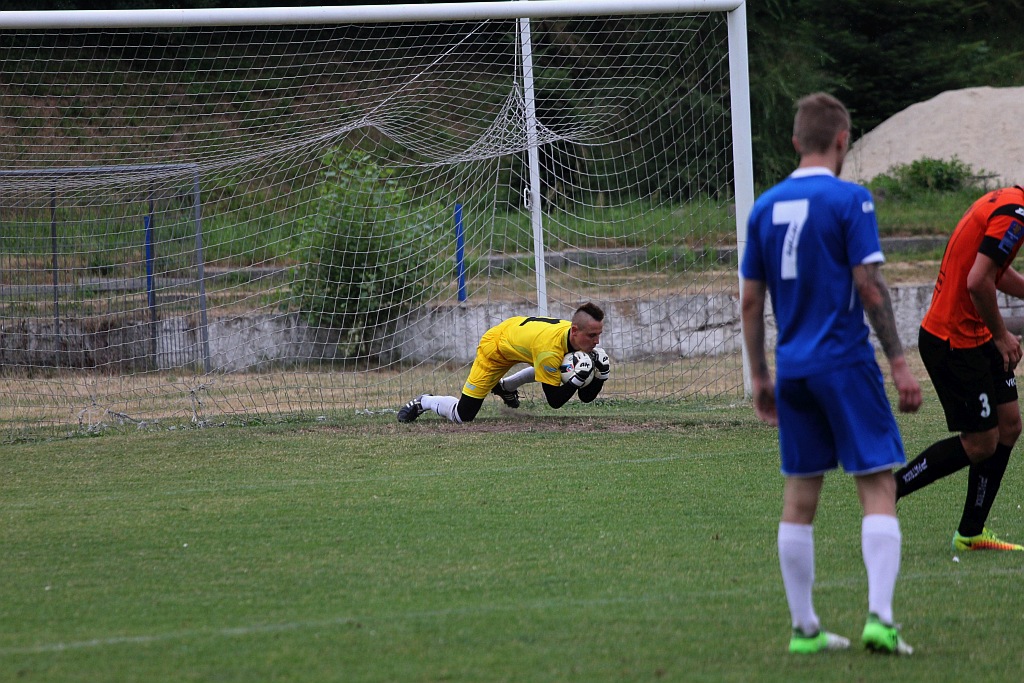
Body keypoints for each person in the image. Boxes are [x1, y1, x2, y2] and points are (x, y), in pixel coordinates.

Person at [741, 93, 922, 656]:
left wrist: (760, 375)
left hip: (792, 369)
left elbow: (750, 301)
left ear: (795, 142)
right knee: (877, 484)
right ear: (842, 141)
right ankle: (880, 620)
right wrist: (897, 360)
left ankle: (805, 629)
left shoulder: (764, 206)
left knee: (800, 498)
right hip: (844, 363)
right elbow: (868, 287)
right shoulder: (851, 199)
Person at [893, 185, 1024, 551]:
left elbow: (992, 273)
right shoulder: (1016, 217)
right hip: (952, 341)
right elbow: (977, 282)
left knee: (1009, 425)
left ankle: (971, 532)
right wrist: (1002, 336)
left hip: (975, 336)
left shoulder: (1010, 202)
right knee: (981, 442)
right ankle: (892, 489)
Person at [396, 302, 610, 424]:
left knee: (552, 370)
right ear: (575, 331)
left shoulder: (574, 342)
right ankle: (424, 401)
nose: (597, 341)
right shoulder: (550, 351)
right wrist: (578, 378)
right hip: (496, 347)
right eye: (592, 335)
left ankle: (505, 387)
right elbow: (555, 402)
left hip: (520, 336)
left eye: (599, 334)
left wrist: (601, 375)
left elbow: (585, 396)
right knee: (463, 416)